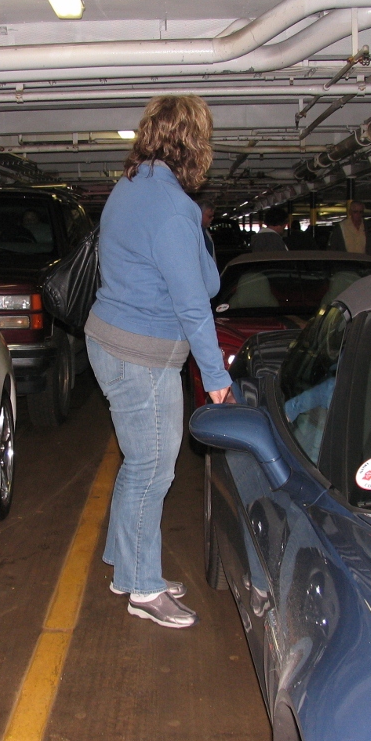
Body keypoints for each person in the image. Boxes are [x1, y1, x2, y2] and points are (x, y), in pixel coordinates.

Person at [85, 94, 233, 629]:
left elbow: (200, 280)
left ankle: (129, 569)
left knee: (139, 464)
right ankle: (145, 588)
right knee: (152, 468)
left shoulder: (130, 188)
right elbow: (197, 302)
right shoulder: (173, 208)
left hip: (113, 341)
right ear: (192, 143)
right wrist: (216, 377)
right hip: (140, 356)